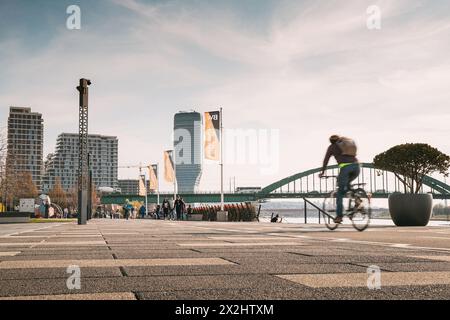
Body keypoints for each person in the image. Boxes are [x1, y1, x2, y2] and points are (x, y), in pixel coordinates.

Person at [319, 135, 360, 224]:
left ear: (330, 141)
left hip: (345, 168)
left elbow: (326, 160)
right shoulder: (345, 144)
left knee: (340, 193)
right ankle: (357, 198)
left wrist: (322, 172)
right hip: (357, 166)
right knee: (347, 184)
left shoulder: (332, 147)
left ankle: (339, 216)